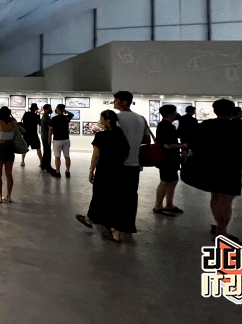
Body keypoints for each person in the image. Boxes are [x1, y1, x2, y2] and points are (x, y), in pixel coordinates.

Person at [181, 99, 242, 245]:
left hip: (209, 166)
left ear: (215, 111)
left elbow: (193, 143)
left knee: (216, 195)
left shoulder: (206, 125)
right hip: (229, 167)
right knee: (225, 199)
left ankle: (219, 227)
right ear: (232, 112)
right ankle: (221, 232)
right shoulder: (238, 126)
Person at [75, 110, 131, 243]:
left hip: (104, 170)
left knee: (99, 195)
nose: (100, 121)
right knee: (115, 199)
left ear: (107, 120)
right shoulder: (120, 134)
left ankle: (112, 231)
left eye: (101, 118)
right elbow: (126, 151)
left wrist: (91, 170)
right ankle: (92, 220)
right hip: (119, 170)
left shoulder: (101, 136)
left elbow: (96, 155)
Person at [110, 91, 150, 242]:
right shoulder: (141, 118)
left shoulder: (116, 118)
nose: (113, 103)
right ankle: (128, 225)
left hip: (118, 163)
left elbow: (110, 139)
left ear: (124, 102)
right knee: (131, 196)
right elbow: (146, 140)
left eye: (116, 100)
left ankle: (116, 229)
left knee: (116, 196)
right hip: (134, 163)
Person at [153, 105, 187, 216]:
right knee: (165, 181)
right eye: (174, 112)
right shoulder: (165, 126)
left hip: (171, 158)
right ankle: (158, 206)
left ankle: (169, 204)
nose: (176, 114)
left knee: (172, 181)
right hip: (166, 159)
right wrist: (182, 146)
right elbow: (167, 145)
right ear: (170, 114)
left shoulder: (168, 125)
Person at [0, 106, 21, 203]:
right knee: (9, 174)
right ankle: (8, 196)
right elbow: (22, 130)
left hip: (0, 148)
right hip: (10, 148)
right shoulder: (13, 123)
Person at [48, 104, 74, 178]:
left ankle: (58, 172)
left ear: (58, 109)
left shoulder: (54, 119)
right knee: (67, 156)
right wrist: (65, 111)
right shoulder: (66, 118)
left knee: (57, 157)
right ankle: (67, 171)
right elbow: (72, 114)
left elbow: (50, 130)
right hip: (66, 139)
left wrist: (49, 139)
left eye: (56, 108)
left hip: (57, 140)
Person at [40, 104, 57, 174]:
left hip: (44, 136)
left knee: (46, 151)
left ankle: (43, 165)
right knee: (48, 152)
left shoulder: (45, 116)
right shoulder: (46, 117)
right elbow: (49, 127)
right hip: (46, 137)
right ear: (46, 109)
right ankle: (48, 167)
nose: (50, 110)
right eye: (49, 108)